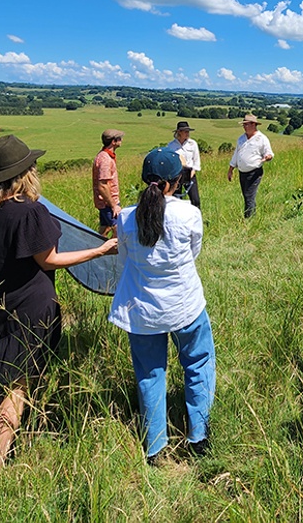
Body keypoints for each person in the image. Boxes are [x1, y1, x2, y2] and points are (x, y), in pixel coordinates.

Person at [0, 135, 117, 474]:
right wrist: (100, 250)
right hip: (28, 312)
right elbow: (50, 260)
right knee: (17, 385)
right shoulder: (28, 212)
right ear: (23, 174)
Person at [109, 148, 215, 463]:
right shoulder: (188, 213)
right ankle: (200, 436)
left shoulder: (126, 217)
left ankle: (155, 446)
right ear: (175, 181)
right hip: (186, 304)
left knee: (150, 373)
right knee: (197, 364)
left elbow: (124, 261)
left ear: (146, 181)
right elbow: (194, 252)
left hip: (142, 310)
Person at [227, 114, 274, 218]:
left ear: (253, 124)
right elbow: (236, 154)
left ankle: (248, 220)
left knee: (249, 196)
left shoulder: (262, 138)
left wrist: (267, 157)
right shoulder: (241, 139)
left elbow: (269, 153)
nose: (244, 126)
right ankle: (252, 216)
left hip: (254, 172)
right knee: (247, 197)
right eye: (243, 125)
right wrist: (231, 169)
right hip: (242, 172)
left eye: (246, 124)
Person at [93, 129, 124, 235]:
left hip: (105, 202)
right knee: (118, 231)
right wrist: (114, 205)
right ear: (113, 142)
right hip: (108, 203)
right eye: (119, 138)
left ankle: (95, 246)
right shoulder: (105, 159)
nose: (122, 140)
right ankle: (113, 252)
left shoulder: (104, 156)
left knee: (104, 229)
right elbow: (102, 186)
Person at [166, 121, 202, 209]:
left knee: (195, 200)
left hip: (190, 173)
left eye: (188, 131)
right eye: (185, 131)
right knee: (176, 199)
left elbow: (196, 161)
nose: (187, 133)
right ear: (179, 132)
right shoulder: (171, 146)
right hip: (176, 175)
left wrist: (192, 172)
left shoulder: (193, 144)